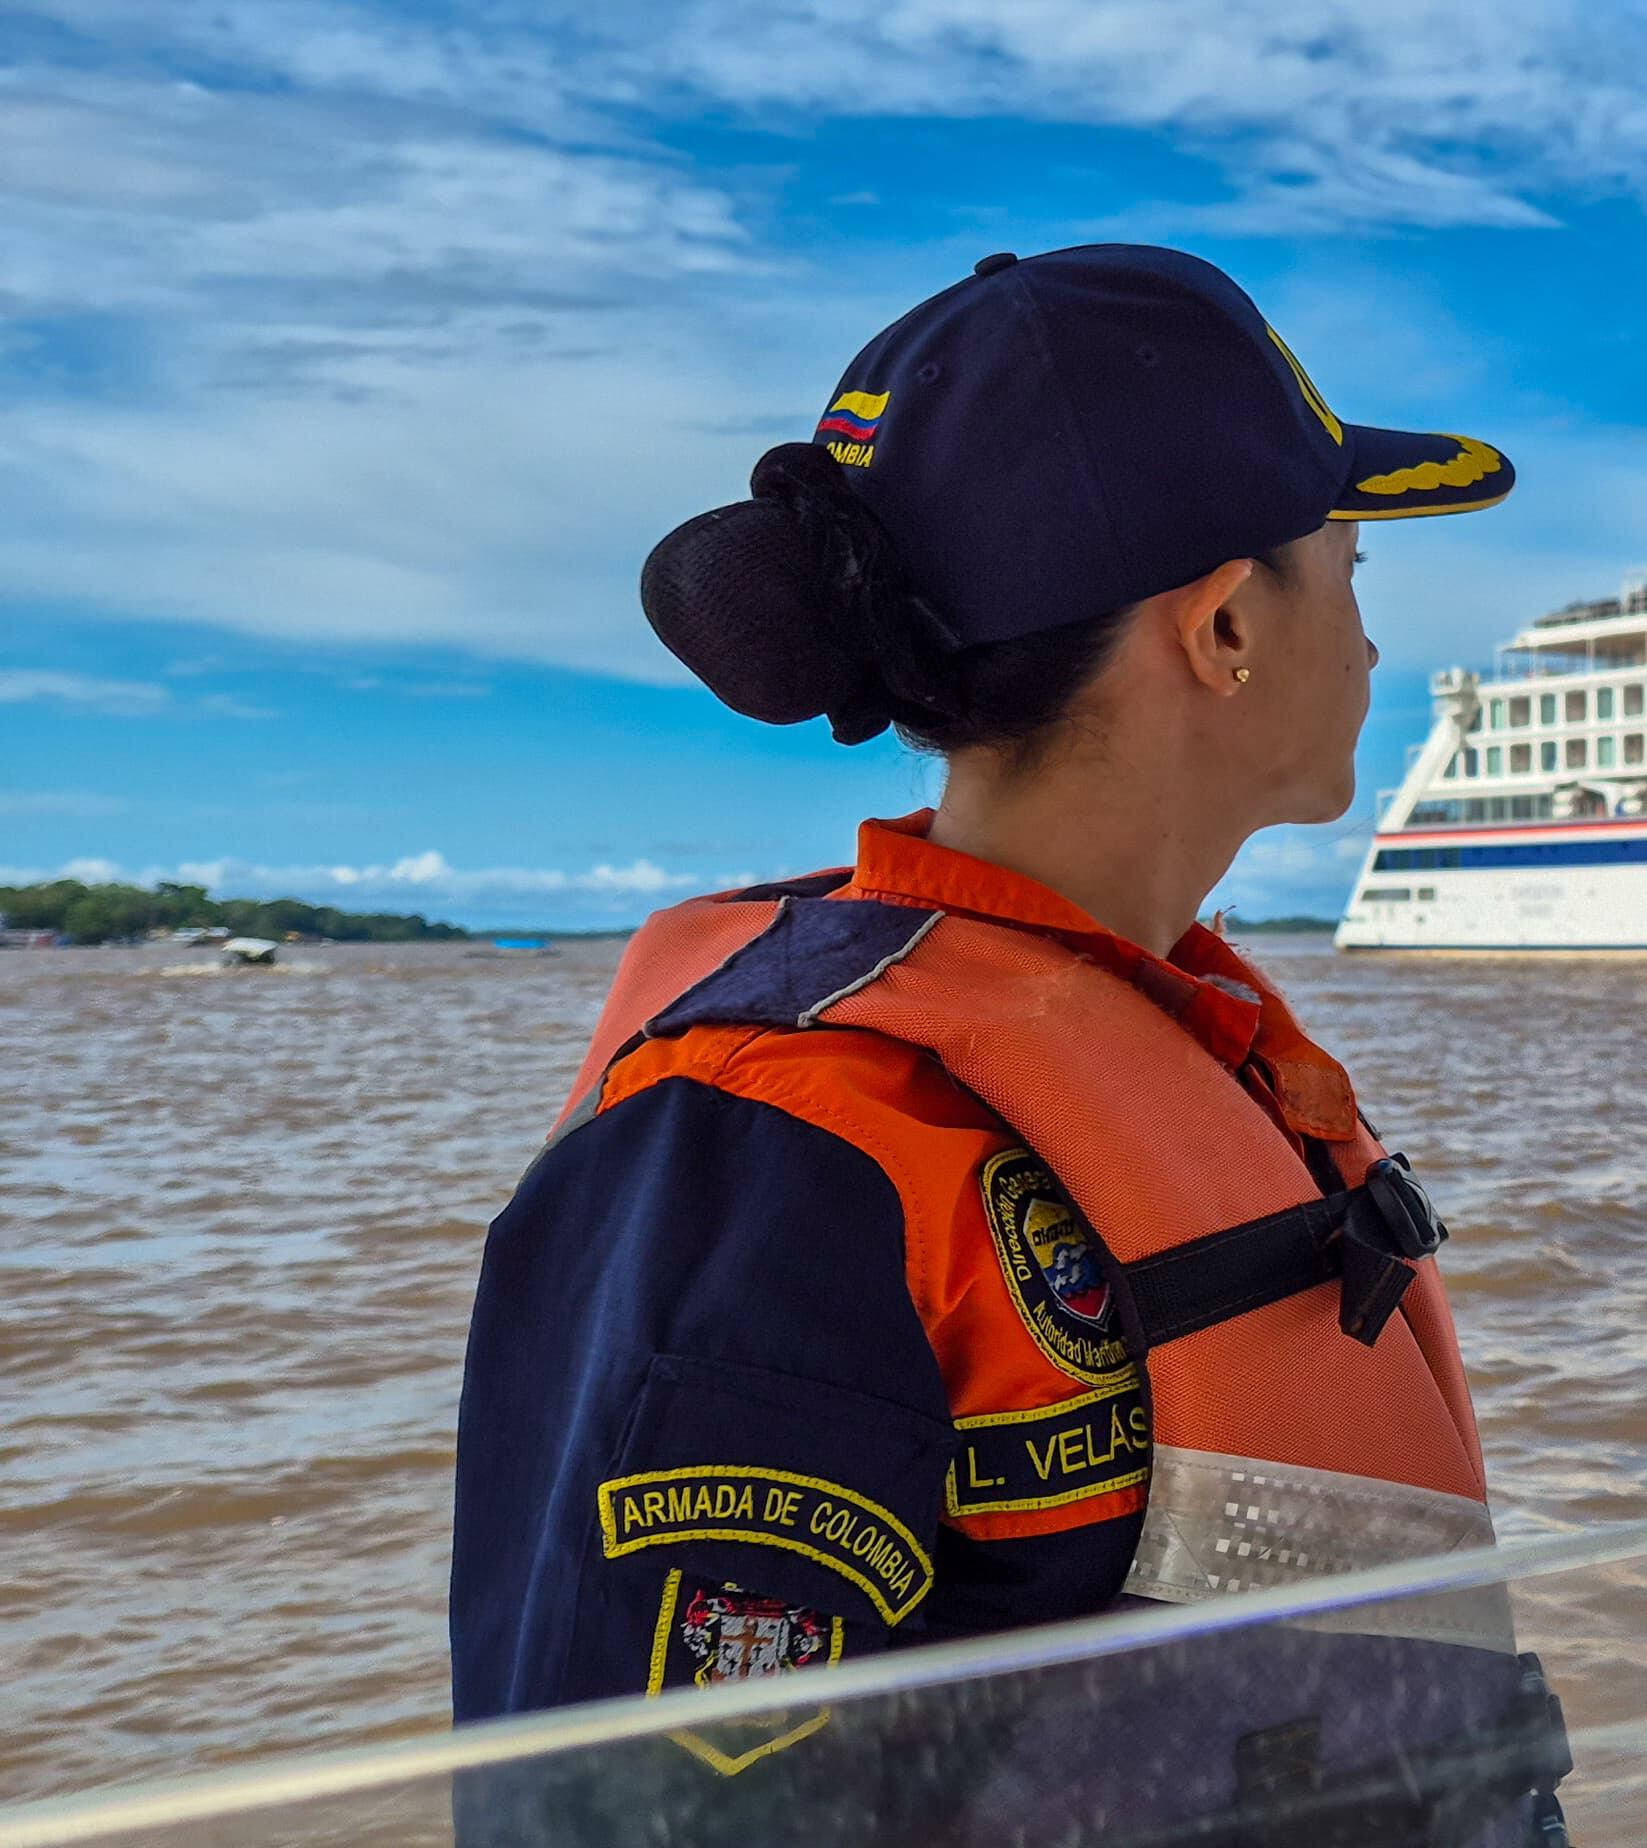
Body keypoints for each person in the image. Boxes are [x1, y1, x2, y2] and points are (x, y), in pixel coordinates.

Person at [450, 245, 1563, 1842]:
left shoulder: (1164, 1022)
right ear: (1229, 628)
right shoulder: (790, 1136)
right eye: (1353, 575)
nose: (1374, 649)